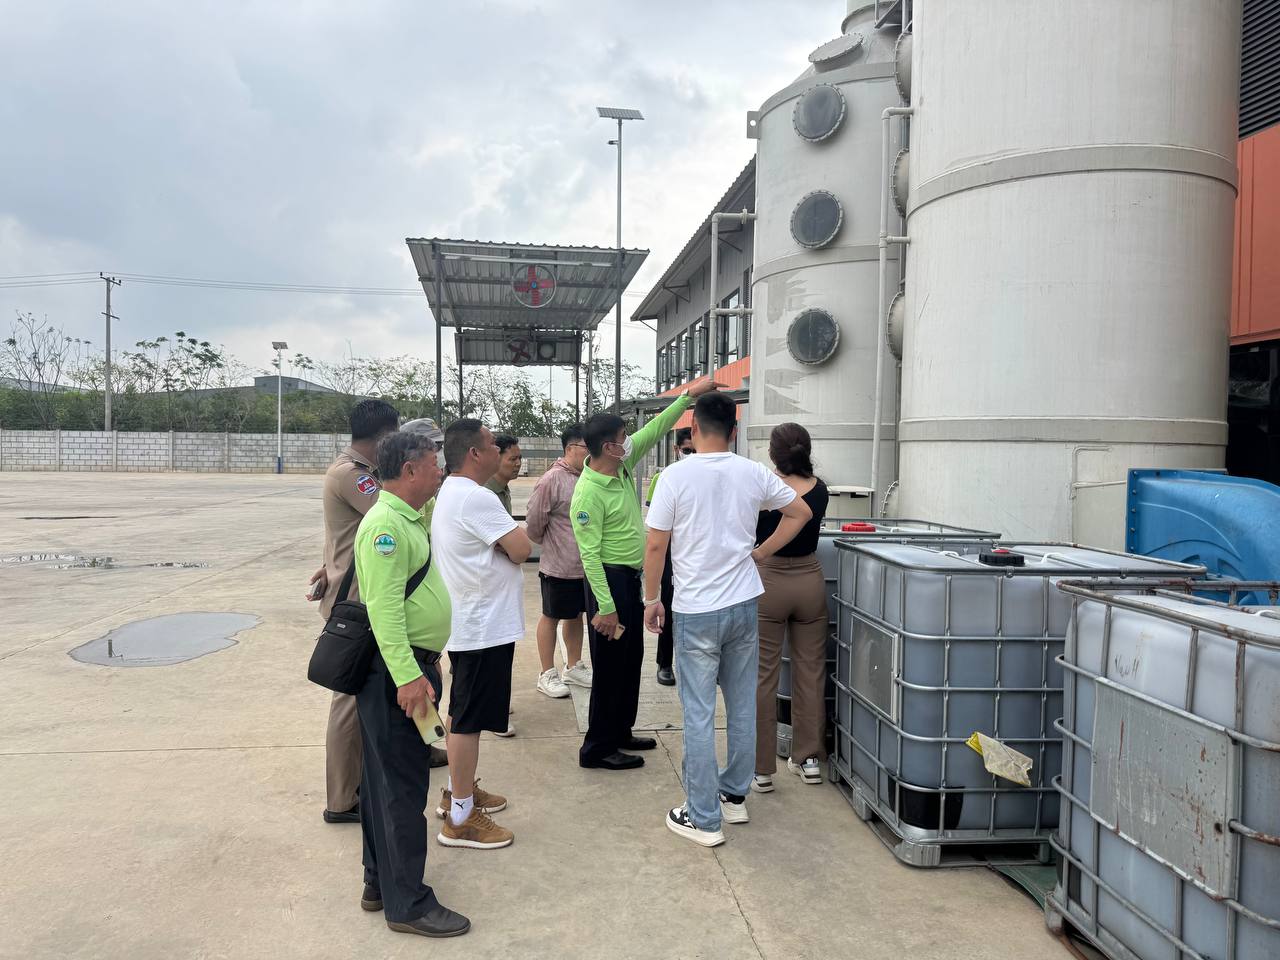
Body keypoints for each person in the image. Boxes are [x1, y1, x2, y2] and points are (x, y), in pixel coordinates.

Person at [643, 392, 811, 847]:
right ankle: (733, 796)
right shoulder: (752, 472)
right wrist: (761, 553)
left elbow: (656, 544)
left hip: (696, 608)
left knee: (698, 713)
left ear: (694, 427)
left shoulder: (674, 477)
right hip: (743, 604)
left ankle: (703, 817)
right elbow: (800, 512)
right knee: (741, 704)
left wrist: (651, 598)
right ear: (734, 431)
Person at [352, 429, 469, 938]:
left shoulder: (408, 517)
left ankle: (379, 883)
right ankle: (408, 903)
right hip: (399, 676)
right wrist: (409, 678)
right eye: (433, 464)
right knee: (402, 788)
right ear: (409, 470)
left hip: (409, 670)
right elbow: (384, 611)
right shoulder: (385, 526)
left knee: (384, 782)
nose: (440, 471)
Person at [571, 378, 722, 771]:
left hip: (628, 582)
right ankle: (597, 748)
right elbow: (589, 557)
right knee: (610, 667)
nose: (630, 442)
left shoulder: (620, 464)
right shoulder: (588, 493)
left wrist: (687, 397)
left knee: (630, 659)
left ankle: (620, 731)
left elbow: (655, 429)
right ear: (609, 447)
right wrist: (605, 608)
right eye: (624, 438)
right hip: (607, 585)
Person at [308, 398, 410, 826]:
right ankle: (342, 797)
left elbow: (344, 533)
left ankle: (416, 748)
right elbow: (396, 509)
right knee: (349, 698)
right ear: (385, 436)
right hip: (357, 601)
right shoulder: (354, 476)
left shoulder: (357, 471)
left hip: (362, 590)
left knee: (392, 680)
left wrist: (327, 564)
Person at [430, 419, 530, 849]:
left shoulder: (453, 491)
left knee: (461, 713)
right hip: (481, 626)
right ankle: (461, 817)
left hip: (473, 622)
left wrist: (500, 546)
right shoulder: (477, 497)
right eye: (492, 444)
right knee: (468, 721)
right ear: (474, 453)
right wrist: (504, 546)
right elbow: (522, 548)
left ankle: (460, 791)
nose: (498, 451)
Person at [753, 423, 831, 792]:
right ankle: (809, 759)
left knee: (762, 675)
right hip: (810, 580)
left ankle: (761, 769)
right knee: (811, 672)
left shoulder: (764, 487)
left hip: (767, 582)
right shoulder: (820, 489)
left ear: (773, 454)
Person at [525, 424, 593, 699]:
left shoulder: (588, 476)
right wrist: (555, 544)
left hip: (584, 566)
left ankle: (573, 666)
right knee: (551, 616)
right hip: (558, 566)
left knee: (575, 616)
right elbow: (534, 523)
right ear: (570, 448)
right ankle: (546, 673)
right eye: (587, 448)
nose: (591, 453)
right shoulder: (552, 479)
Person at [645, 427, 693, 687]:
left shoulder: (705, 476)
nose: (691, 454)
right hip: (671, 553)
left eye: (695, 450)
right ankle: (664, 663)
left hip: (697, 554)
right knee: (668, 606)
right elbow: (657, 526)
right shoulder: (663, 478)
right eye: (687, 450)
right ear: (676, 450)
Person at [484, 435, 521, 516]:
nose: (518, 463)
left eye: (519, 458)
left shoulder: (504, 491)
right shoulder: (485, 493)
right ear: (496, 459)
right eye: (513, 459)